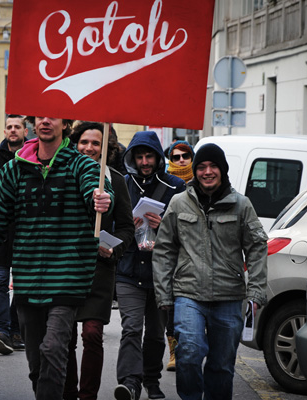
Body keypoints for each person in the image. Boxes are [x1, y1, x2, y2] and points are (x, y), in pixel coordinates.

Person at [0, 116, 113, 400]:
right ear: (32, 123)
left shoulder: (82, 165)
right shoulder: (13, 170)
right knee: (36, 364)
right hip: (28, 281)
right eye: (40, 115)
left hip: (68, 278)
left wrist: (102, 198)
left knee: (53, 349)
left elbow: (98, 190)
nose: (46, 120)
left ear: (66, 123)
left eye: (53, 115)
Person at [152, 143, 268, 400]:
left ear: (222, 170)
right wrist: (164, 294)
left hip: (229, 297)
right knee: (189, 354)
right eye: (201, 167)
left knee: (222, 365)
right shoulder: (179, 203)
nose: (207, 172)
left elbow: (257, 248)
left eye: (213, 166)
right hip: (188, 294)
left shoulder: (241, 205)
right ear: (195, 171)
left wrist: (256, 292)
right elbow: (163, 250)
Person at [63, 122, 134, 400]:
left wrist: (112, 249)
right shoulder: (63, 175)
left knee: (92, 334)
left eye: (96, 144)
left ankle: (87, 395)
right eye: (84, 142)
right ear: (75, 144)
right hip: (65, 266)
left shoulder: (115, 180)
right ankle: (68, 392)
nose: (89, 148)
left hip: (99, 269)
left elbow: (127, 227)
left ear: (107, 148)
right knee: (64, 337)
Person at [114, 131, 185, 400]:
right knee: (131, 328)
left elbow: (188, 225)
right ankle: (130, 382)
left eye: (149, 156)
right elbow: (108, 222)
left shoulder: (176, 186)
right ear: (131, 156)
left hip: (162, 272)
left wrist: (164, 221)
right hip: (129, 269)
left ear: (158, 156)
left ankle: (151, 381)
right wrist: (123, 227)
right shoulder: (122, 183)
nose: (144, 161)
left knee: (155, 334)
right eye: (140, 156)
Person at [0, 114, 28, 355]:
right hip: (0, 234)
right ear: (4, 131)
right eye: (9, 127)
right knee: (0, 283)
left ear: (25, 132)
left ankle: (17, 330)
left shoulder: (33, 159)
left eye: (17, 127)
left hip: (23, 235)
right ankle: (2, 330)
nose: (13, 131)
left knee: (21, 285)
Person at [162, 139, 194, 371]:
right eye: (176, 156)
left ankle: (191, 349)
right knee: (169, 308)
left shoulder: (202, 181)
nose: (181, 160)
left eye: (185, 155)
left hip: (194, 256)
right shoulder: (165, 183)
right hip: (170, 255)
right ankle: (174, 352)